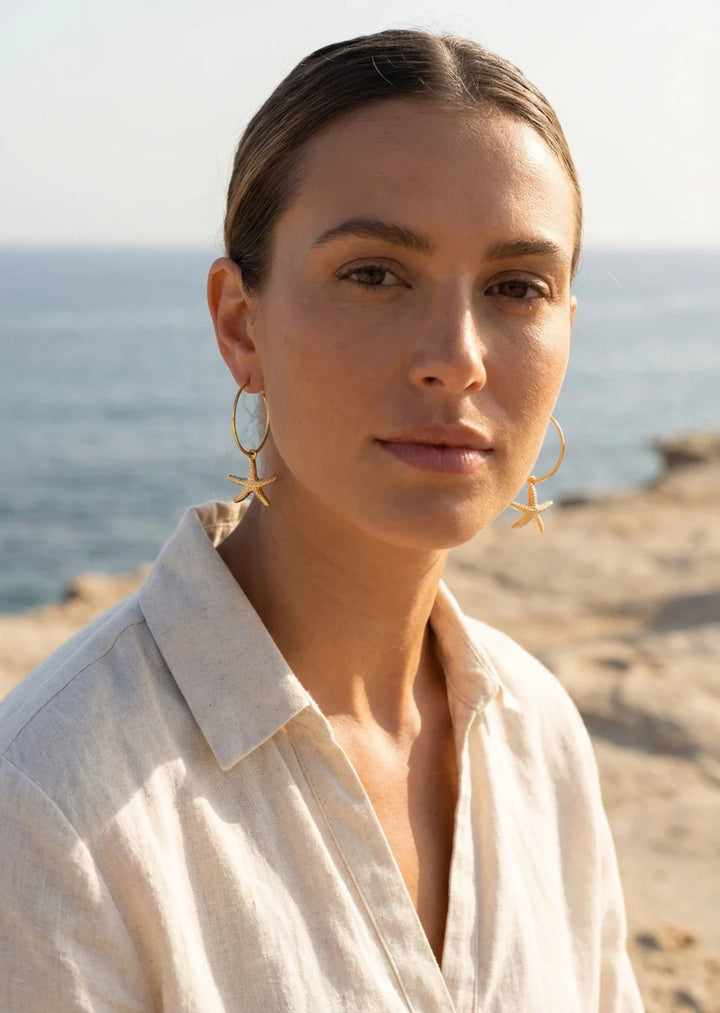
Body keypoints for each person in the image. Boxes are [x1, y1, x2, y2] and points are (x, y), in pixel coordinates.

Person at [0, 29, 643, 1012]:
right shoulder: (54, 803)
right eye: (374, 273)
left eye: (517, 287)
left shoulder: (538, 731)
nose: (458, 358)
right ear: (240, 322)